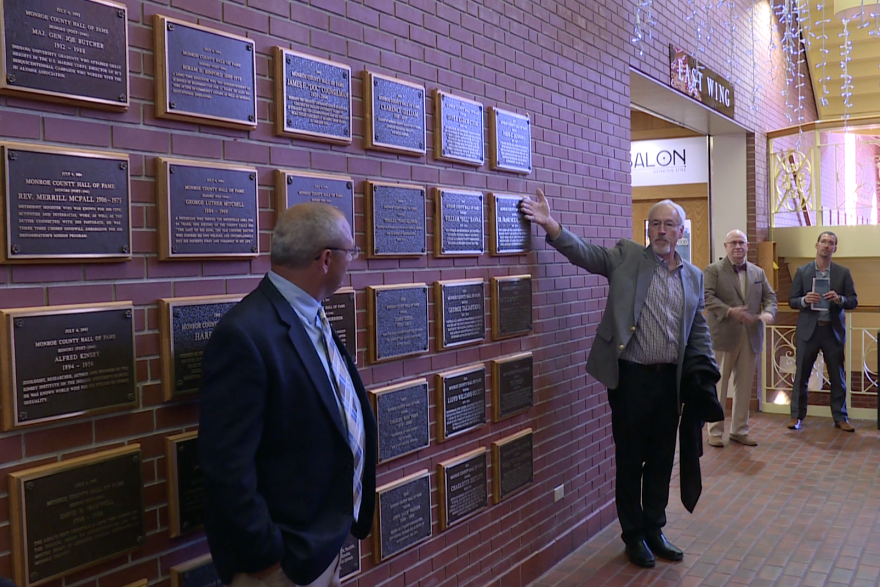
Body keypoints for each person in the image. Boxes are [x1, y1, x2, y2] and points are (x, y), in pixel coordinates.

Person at [520, 190, 716, 568]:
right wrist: (549, 224)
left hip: (668, 384)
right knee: (630, 460)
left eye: (668, 225)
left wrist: (705, 369)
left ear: (681, 233)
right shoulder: (627, 257)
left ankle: (655, 529)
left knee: (662, 459)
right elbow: (586, 253)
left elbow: (697, 326)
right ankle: (633, 536)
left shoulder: (693, 276)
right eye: (655, 224)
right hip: (631, 380)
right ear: (648, 229)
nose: (661, 230)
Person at [199, 203, 377, 587]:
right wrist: (267, 560)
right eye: (351, 252)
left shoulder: (311, 313)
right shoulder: (245, 334)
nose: (353, 261)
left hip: (322, 545)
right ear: (326, 259)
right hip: (283, 566)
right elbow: (226, 467)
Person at [703, 230, 777, 447]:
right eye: (733, 243)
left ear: (747, 246)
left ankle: (739, 431)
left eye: (742, 243)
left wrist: (770, 312)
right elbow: (707, 297)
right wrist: (729, 311)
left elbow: (770, 297)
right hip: (724, 336)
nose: (738, 247)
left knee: (744, 386)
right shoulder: (714, 270)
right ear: (726, 246)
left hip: (751, 335)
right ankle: (715, 433)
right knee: (719, 385)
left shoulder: (758, 272)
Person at [788, 231, 858, 431]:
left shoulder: (843, 273)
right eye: (824, 242)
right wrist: (804, 300)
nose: (827, 246)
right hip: (808, 332)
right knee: (801, 375)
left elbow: (853, 300)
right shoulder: (802, 272)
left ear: (835, 248)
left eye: (831, 243)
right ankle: (796, 416)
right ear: (816, 245)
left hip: (832, 332)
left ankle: (840, 418)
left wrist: (840, 300)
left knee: (837, 377)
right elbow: (792, 300)